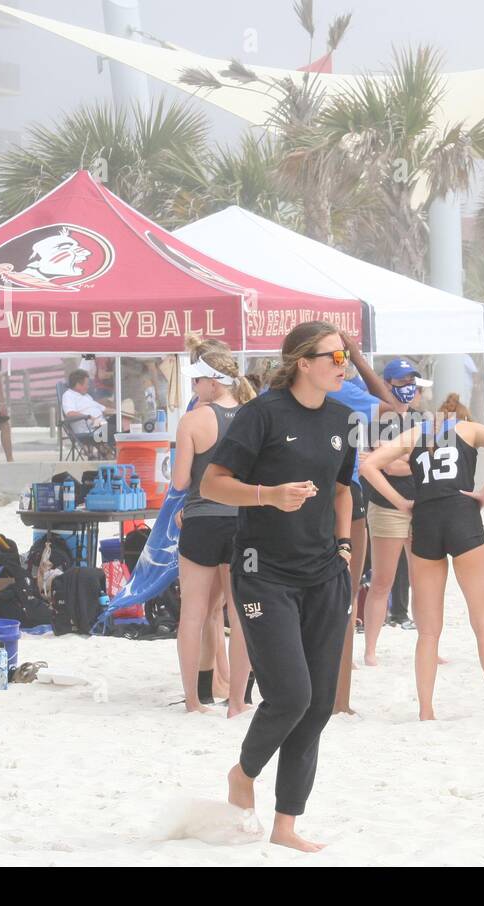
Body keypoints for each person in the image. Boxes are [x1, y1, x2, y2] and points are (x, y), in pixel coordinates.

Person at [201, 321, 356, 853]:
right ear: (303, 362)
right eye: (335, 356)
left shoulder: (342, 418)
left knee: (317, 706)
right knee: (290, 695)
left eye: (346, 355)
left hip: (324, 573)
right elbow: (211, 482)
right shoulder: (261, 413)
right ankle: (243, 773)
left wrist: (343, 548)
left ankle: (286, 823)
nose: (344, 364)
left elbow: (342, 490)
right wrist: (268, 495)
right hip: (263, 570)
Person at [361, 393, 484, 720]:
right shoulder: (467, 429)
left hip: (426, 519)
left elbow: (368, 465)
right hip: (462, 514)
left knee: (429, 631)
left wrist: (402, 503)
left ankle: (426, 710)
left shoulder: (416, 434)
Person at [172, 342, 256, 717]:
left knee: (192, 613)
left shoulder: (192, 420)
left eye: (198, 381)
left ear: (213, 383)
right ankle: (237, 702)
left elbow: (178, 482)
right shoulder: (252, 417)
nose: (194, 388)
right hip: (242, 518)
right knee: (241, 614)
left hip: (201, 518)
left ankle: (193, 700)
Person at [329, 334, 406, 714]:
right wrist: (357, 357)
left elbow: (390, 409)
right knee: (346, 588)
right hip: (343, 493)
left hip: (335, 492)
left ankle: (341, 684)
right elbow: (393, 408)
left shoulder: (338, 387)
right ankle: (339, 693)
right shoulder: (341, 388)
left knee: (347, 588)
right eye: (338, 356)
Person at [362, 358, 428, 662]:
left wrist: (402, 463)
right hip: (387, 504)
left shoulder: (423, 419)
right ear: (387, 384)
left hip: (419, 505)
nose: (408, 387)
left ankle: (429, 646)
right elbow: (386, 465)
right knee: (382, 581)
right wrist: (406, 463)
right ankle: (371, 650)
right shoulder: (376, 419)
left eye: (411, 381)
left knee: (422, 580)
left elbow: (414, 464)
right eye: (402, 382)